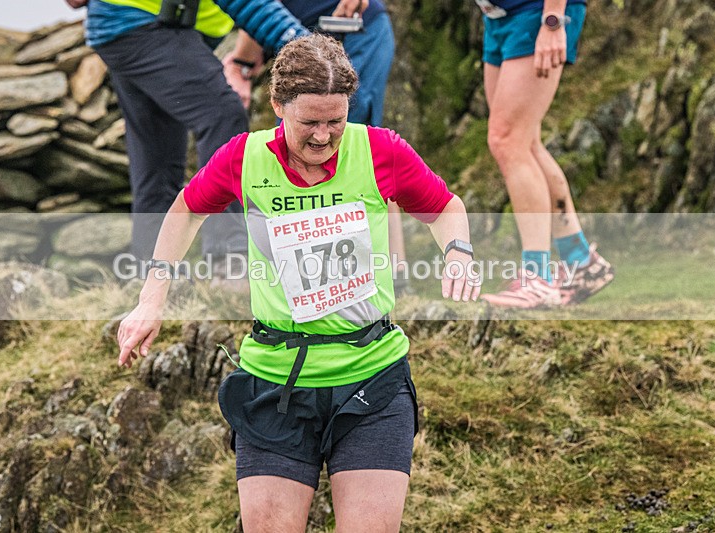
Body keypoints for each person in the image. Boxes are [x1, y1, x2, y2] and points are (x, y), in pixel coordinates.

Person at [116, 34, 481, 531]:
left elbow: (446, 209)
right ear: (277, 106)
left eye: (336, 121)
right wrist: (150, 299)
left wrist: (458, 252)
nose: (323, 136)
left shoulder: (381, 150)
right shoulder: (244, 159)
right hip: (276, 382)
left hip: (371, 378)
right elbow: (184, 211)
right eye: (309, 122)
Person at [65, 0, 304, 272]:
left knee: (157, 154)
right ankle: (227, 259)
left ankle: (150, 275)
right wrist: (305, 49)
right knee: (221, 114)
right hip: (142, 23)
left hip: (127, 27)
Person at [221, 0, 410, 291]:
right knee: (299, 150)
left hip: (357, 31)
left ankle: (391, 270)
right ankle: (309, 273)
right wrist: (243, 62)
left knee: (358, 149)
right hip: (298, 44)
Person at [475, 0, 614, 308]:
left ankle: (537, 278)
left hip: (536, 13)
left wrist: (553, 20)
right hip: (499, 17)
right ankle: (580, 261)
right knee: (524, 142)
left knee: (507, 139)